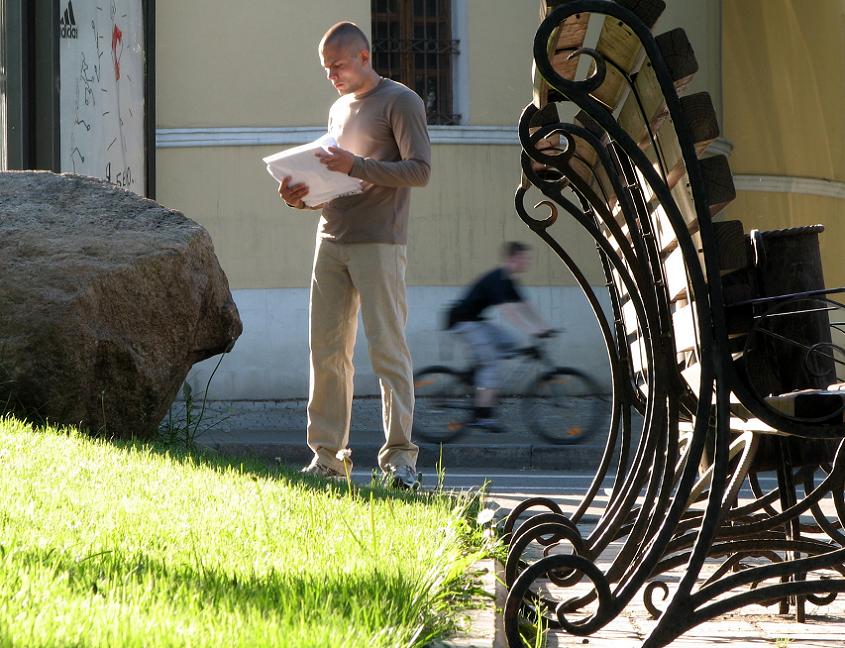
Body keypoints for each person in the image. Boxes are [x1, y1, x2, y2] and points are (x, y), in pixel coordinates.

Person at [278, 22, 431, 489]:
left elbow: (420, 171)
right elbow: (336, 181)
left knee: (387, 350)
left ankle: (400, 462)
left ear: (364, 57)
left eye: (338, 66)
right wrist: (302, 197)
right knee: (326, 351)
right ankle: (327, 458)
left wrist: (357, 165)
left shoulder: (401, 101)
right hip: (331, 238)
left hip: (380, 241)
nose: (332, 76)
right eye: (326, 69)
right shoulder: (338, 108)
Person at [446, 241, 552, 428]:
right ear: (513, 258)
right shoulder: (498, 279)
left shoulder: (509, 281)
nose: (527, 262)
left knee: (510, 341)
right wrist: (531, 330)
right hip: (463, 322)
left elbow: (525, 306)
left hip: (476, 322)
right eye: (524, 258)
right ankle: (483, 417)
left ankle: (478, 376)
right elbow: (508, 311)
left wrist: (545, 326)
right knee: (491, 364)